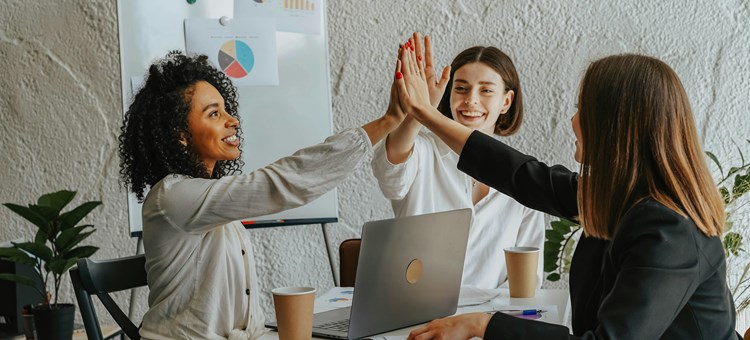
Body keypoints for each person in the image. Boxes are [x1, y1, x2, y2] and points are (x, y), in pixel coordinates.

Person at [394, 40, 740, 339]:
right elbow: (521, 174)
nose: (572, 120)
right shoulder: (619, 198)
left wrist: (484, 325)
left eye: (581, 109)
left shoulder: (669, 231)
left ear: (614, 128)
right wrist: (425, 115)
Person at [118, 51, 406, 339]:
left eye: (226, 109)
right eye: (214, 113)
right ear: (180, 134)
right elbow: (278, 184)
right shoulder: (173, 196)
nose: (232, 121)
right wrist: (389, 120)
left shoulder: (210, 200)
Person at [371, 34, 545, 289]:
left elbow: (527, 279)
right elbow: (390, 174)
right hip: (416, 316)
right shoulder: (422, 151)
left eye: (486, 90)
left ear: (506, 101)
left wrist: (487, 324)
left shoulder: (523, 176)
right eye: (461, 88)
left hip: (487, 322)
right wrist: (419, 111)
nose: (471, 100)